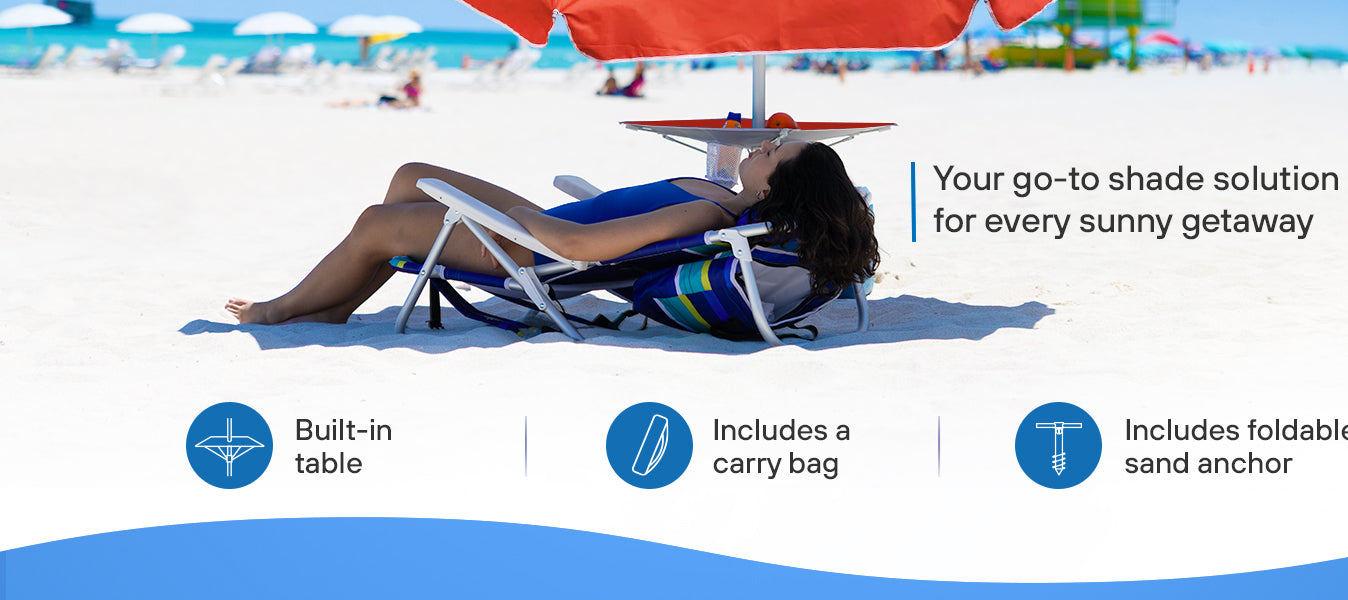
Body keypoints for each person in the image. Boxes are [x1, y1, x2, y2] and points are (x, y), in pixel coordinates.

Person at [226, 141, 879, 326]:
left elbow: (583, 251)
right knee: (412, 173)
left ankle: (281, 308)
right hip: (539, 229)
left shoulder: (707, 214)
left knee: (378, 222)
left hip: (531, 249)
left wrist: (520, 223)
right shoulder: (722, 194)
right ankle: (336, 305)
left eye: (773, 152)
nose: (763, 146)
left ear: (770, 189)